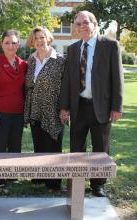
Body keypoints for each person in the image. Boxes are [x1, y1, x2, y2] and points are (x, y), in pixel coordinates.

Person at [60, 11, 124, 197]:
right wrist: (64, 107)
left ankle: (98, 185)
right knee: (76, 146)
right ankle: (76, 183)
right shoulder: (72, 49)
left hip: (101, 107)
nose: (82, 26)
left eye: (85, 22)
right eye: (78, 23)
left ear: (94, 24)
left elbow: (117, 78)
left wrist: (116, 107)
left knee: (100, 147)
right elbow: (68, 81)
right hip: (78, 106)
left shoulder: (110, 45)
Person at [24, 27, 65, 192]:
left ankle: (53, 182)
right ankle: (40, 175)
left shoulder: (60, 60)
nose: (39, 41)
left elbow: (67, 86)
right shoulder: (31, 60)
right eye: (36, 39)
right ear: (32, 42)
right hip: (35, 108)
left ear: (48, 38)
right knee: (39, 145)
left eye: (42, 37)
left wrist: (65, 108)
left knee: (53, 146)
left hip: (53, 110)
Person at [0, 30, 27, 187]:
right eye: (7, 42)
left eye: (14, 42)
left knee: (16, 144)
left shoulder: (23, 64)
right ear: (2, 44)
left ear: (18, 45)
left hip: (18, 112)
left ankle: (12, 174)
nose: (10, 45)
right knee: (0, 145)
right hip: (0, 112)